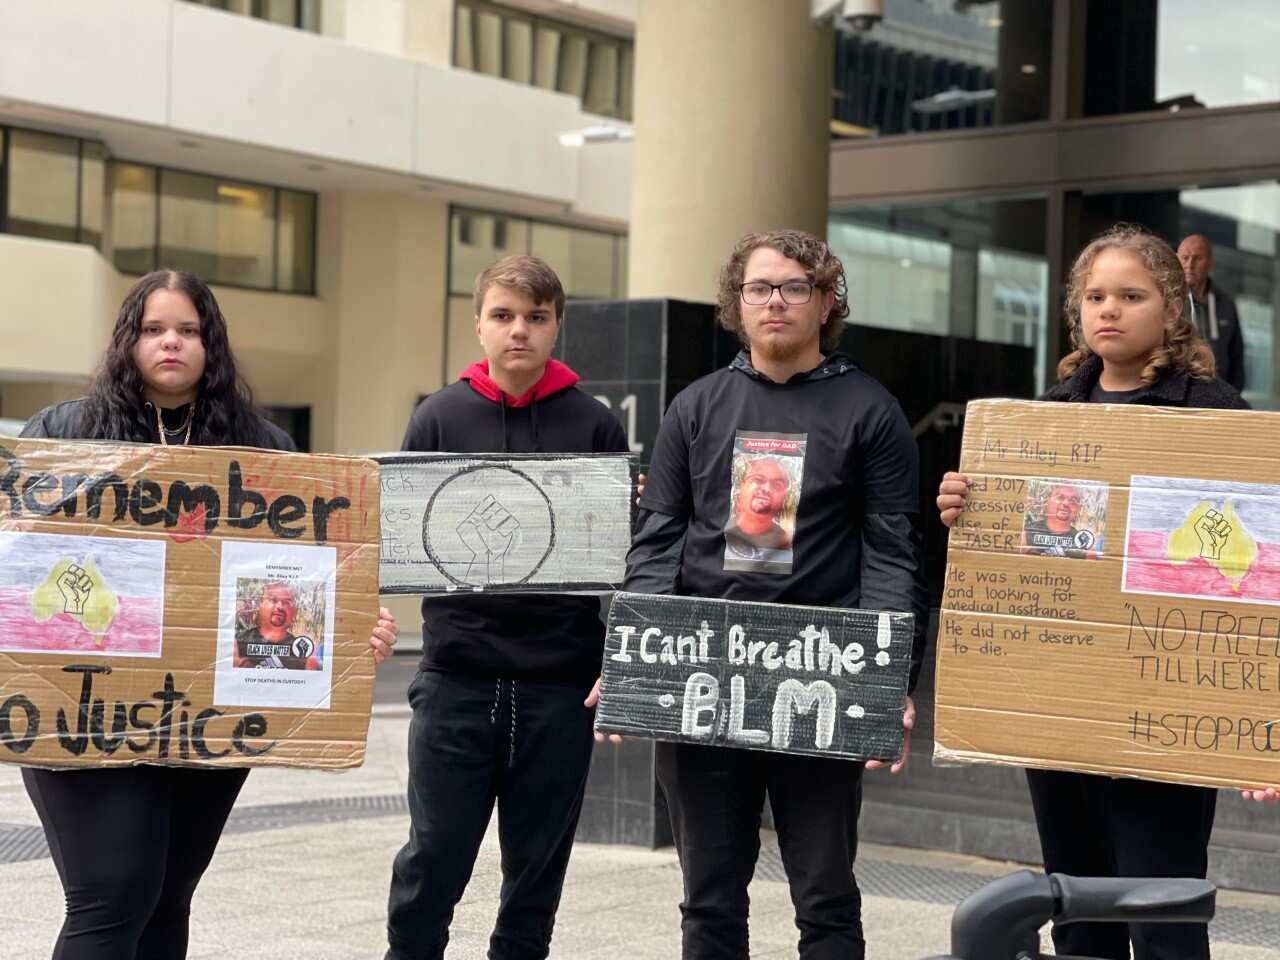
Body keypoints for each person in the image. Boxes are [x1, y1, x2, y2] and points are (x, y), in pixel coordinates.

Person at [19, 269, 399, 960]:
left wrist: (349, 632)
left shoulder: (265, 448)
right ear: (128, 340)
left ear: (211, 343)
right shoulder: (63, 433)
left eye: (188, 330)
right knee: (115, 892)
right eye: (154, 329)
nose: (171, 343)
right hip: (84, 697)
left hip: (210, 709)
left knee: (167, 897)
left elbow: (305, 578)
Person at [938, 224, 1246, 960]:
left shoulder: (1214, 412)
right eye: (1095, 296)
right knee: (1076, 912)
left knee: (1163, 910)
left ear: (1173, 311)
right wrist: (967, 506)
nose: (1110, 310)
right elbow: (1015, 559)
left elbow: (1244, 569)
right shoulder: (1040, 416)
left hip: (1164, 703)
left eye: (1132, 295)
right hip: (1058, 705)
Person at [625, 229, 928, 960]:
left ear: (826, 301)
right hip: (704, 674)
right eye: (759, 287)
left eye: (796, 287)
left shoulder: (872, 411)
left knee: (825, 897)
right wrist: (631, 657)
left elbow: (891, 555)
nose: (776, 302)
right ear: (736, 302)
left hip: (822, 675)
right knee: (708, 899)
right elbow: (657, 541)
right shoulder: (696, 407)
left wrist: (891, 682)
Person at [385, 255, 629, 960]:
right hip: (456, 679)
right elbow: (401, 537)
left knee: (535, 874)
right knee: (433, 858)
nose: (518, 330)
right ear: (478, 324)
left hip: (559, 686)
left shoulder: (595, 426)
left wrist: (619, 659)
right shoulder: (436, 415)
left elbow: (621, 559)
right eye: (503, 316)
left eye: (535, 317)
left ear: (556, 326)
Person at [1177, 233, 1244, 391]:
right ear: (1176, 260)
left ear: (1210, 263)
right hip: (1179, 401)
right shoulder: (1168, 302)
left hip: (1220, 399)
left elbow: (1237, 356)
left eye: (1197, 258)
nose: (1190, 264)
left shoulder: (1226, 304)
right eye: (1185, 258)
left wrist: (1232, 398)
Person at [233, 580, 320, 670]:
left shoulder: (302, 650)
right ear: (260, 605)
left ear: (293, 610)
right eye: (273, 600)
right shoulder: (238, 644)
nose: (280, 606)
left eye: (286, 602)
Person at [724, 455, 794, 559]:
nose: (766, 488)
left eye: (777, 485)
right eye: (758, 480)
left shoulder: (786, 542)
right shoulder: (721, 529)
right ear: (740, 486)